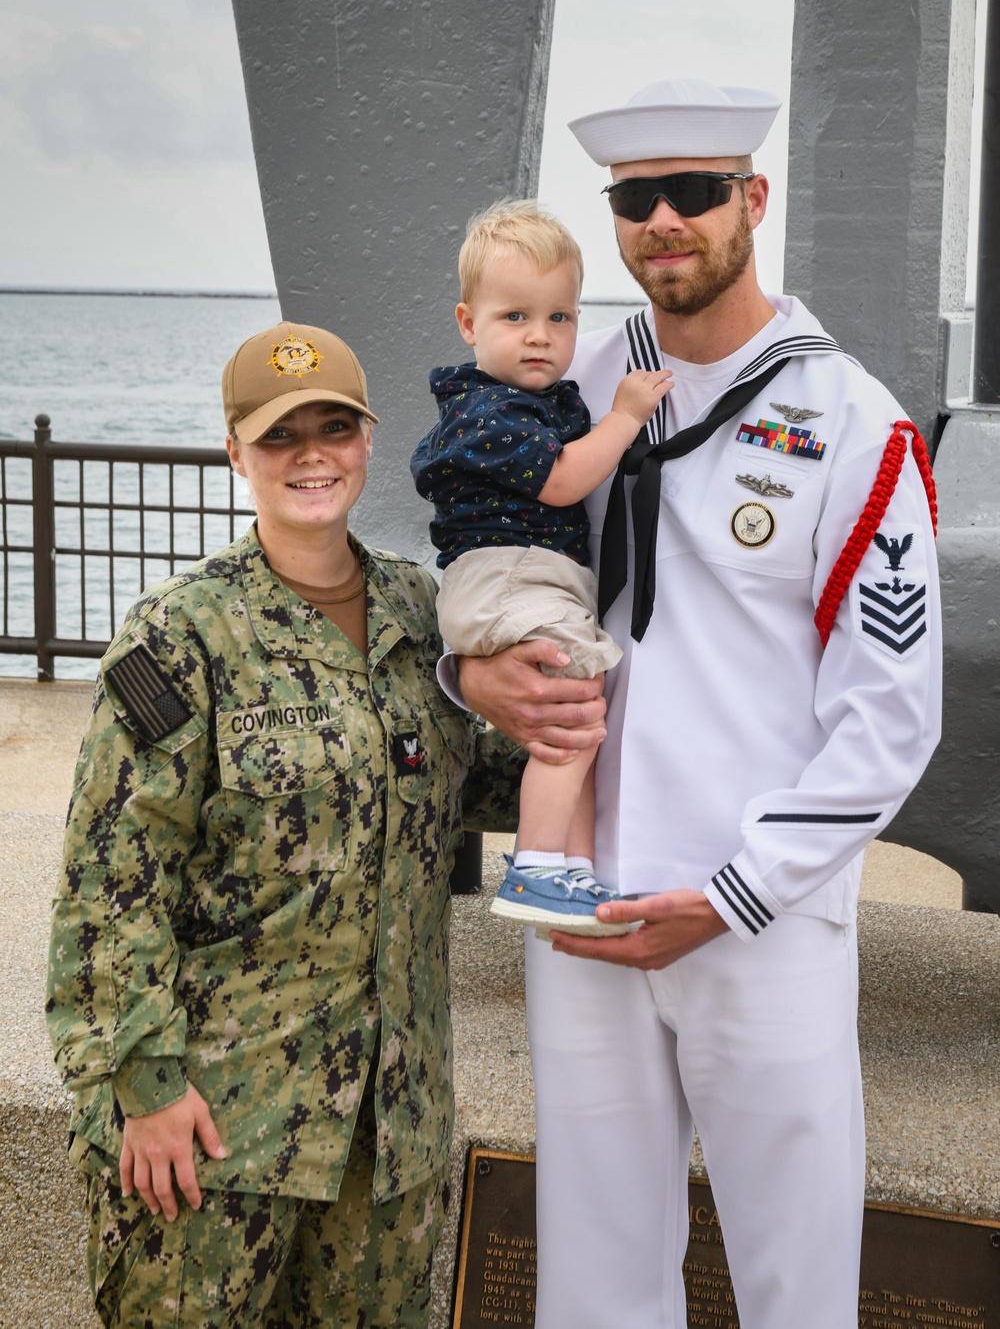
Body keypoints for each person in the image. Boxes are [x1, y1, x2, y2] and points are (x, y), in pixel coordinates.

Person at [451, 79, 942, 1329]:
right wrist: (470, 677)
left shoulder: (853, 424)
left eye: (696, 194)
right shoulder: (577, 378)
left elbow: (891, 713)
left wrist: (739, 893)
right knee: (594, 1279)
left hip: (754, 915)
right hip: (583, 900)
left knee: (793, 1276)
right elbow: (482, 551)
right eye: (635, 199)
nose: (664, 221)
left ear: (752, 200)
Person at [45, 322, 518, 1329]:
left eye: (333, 427)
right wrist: (146, 1085)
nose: (310, 455)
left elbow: (470, 777)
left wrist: (610, 724)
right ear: (235, 455)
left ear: (365, 441)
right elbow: (111, 880)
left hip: (388, 1141)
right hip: (220, 1133)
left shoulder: (419, 611)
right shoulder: (183, 634)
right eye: (278, 436)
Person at [411, 199, 671, 933]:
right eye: (515, 317)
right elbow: (562, 481)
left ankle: (575, 874)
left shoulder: (531, 401)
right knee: (576, 710)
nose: (540, 336)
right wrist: (624, 416)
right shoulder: (488, 412)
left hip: (521, 579)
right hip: (508, 576)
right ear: (469, 325)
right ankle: (533, 868)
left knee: (577, 731)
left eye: (560, 318)